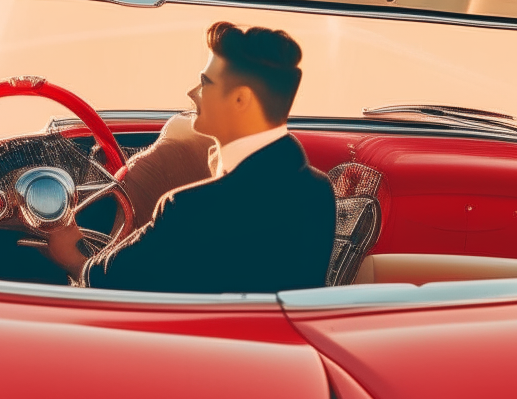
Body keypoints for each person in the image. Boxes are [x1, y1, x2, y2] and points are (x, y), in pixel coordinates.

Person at [44, 21, 336, 293]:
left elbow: (106, 283)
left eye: (206, 83)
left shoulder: (189, 209)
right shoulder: (318, 192)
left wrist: (70, 254)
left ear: (240, 100)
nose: (192, 93)